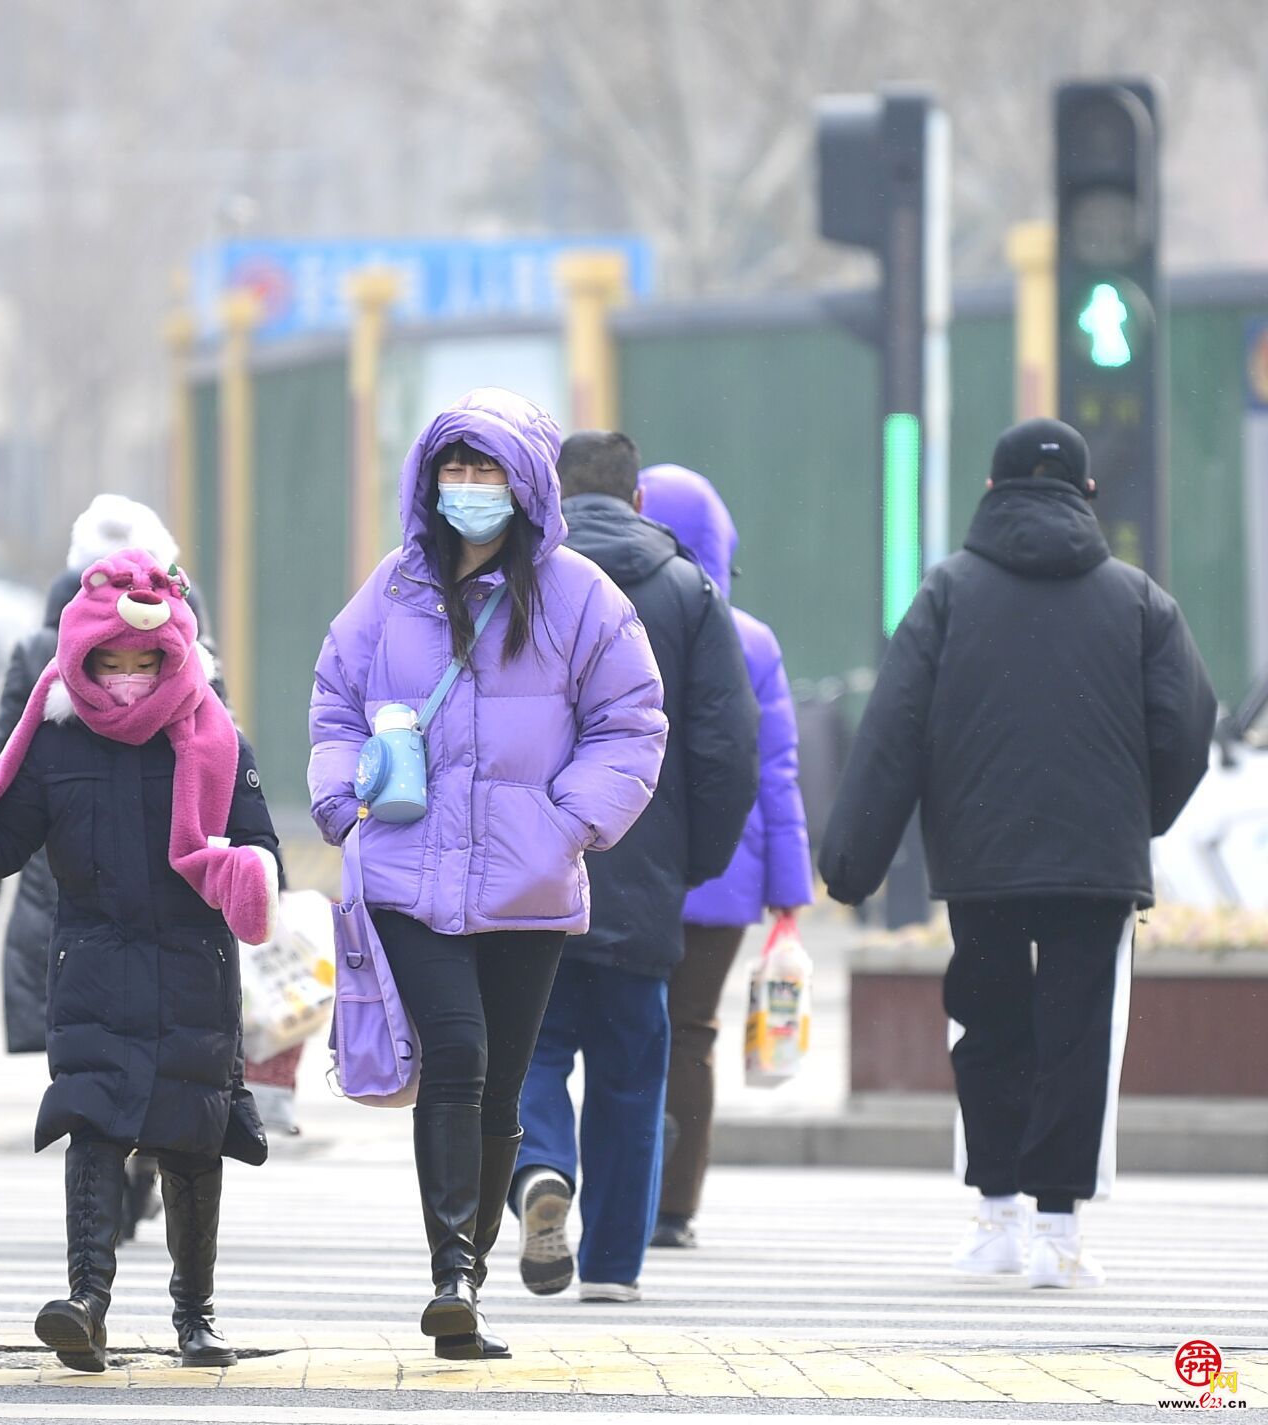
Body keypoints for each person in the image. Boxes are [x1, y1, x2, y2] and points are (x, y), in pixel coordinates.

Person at [309, 389, 668, 1359]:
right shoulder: (391, 589)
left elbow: (630, 721)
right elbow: (336, 698)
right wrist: (341, 798)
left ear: (529, 483)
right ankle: (451, 1275)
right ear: (427, 481)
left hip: (528, 884)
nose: (469, 487)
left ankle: (467, 1261)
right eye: (453, 469)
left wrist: (570, 824)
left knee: (504, 1086)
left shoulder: (581, 597)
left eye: (487, 468)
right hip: (407, 873)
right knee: (457, 1056)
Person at [820, 419, 1215, 1289]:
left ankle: (996, 1213)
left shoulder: (948, 594)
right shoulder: (1139, 598)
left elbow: (893, 731)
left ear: (992, 493)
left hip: (982, 857)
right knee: (1076, 1035)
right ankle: (1058, 1232)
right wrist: (1136, 816)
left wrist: (850, 860)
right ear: (1088, 498)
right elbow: (1188, 725)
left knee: (989, 1025)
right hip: (1095, 863)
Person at [0, 548, 280, 1373]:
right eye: (109, 662)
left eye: (143, 661)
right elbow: (3, 837)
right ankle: (86, 1301)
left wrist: (247, 872)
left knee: (192, 1138)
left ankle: (196, 1313)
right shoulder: (54, 741)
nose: (126, 678)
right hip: (90, 962)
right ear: (78, 657)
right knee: (92, 1123)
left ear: (174, 653)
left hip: (193, 964)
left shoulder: (216, 735)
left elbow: (261, 845)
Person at [510, 437, 758, 1303]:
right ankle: (613, 1262)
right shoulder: (689, 591)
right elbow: (728, 746)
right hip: (643, 872)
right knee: (630, 1066)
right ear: (640, 500)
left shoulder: (517, 579)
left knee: (532, 1048)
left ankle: (540, 1169)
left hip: (527, 866)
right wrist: (693, 863)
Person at [0, 494, 203, 1238]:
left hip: (64, 880)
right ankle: (118, 1182)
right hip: (82, 880)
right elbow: (7, 771)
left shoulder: (43, 648)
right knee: (102, 1058)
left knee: (98, 1057)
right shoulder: (60, 655)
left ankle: (126, 1162)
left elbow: (1, 763)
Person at [635, 462, 814, 1252]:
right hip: (723, 875)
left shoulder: (607, 612)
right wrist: (788, 888)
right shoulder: (751, 639)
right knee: (692, 1036)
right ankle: (674, 1206)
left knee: (615, 1031)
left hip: (622, 863)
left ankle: (612, 1189)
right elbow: (774, 769)